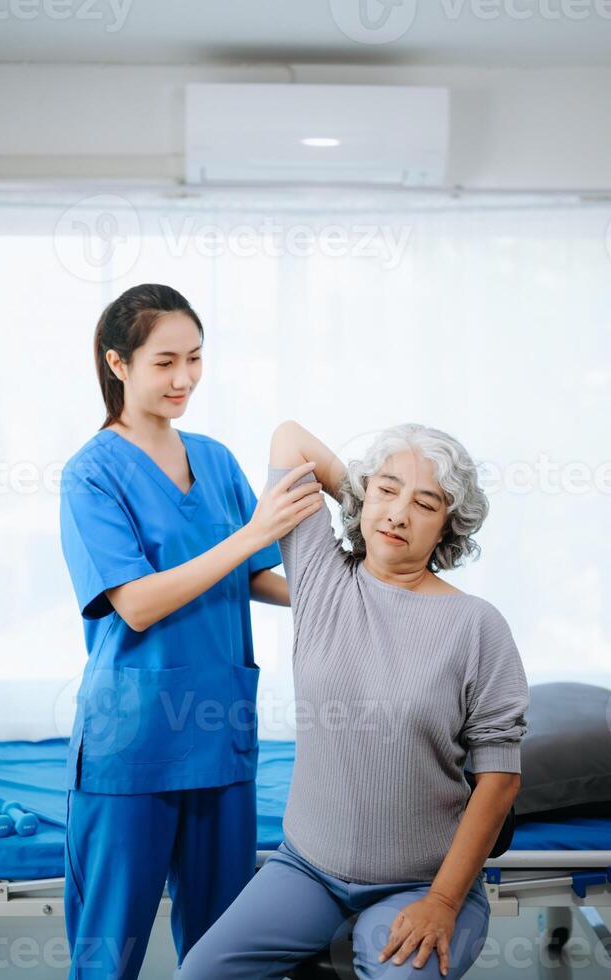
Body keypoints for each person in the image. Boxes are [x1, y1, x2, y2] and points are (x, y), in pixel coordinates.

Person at [177, 419, 530, 979]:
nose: (398, 514)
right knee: (199, 974)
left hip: (422, 882)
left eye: (426, 503)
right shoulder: (321, 576)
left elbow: (500, 779)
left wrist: (441, 902)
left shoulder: (477, 626)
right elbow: (289, 439)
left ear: (447, 528)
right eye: (387, 490)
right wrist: (368, 499)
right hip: (306, 870)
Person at [59, 285, 323, 979]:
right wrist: (253, 536)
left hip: (219, 732)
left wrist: (347, 598)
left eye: (196, 359)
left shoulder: (213, 458)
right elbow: (137, 603)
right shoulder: (91, 474)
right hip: (134, 741)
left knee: (222, 952)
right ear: (118, 364)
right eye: (165, 362)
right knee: (106, 953)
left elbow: (254, 574)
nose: (184, 379)